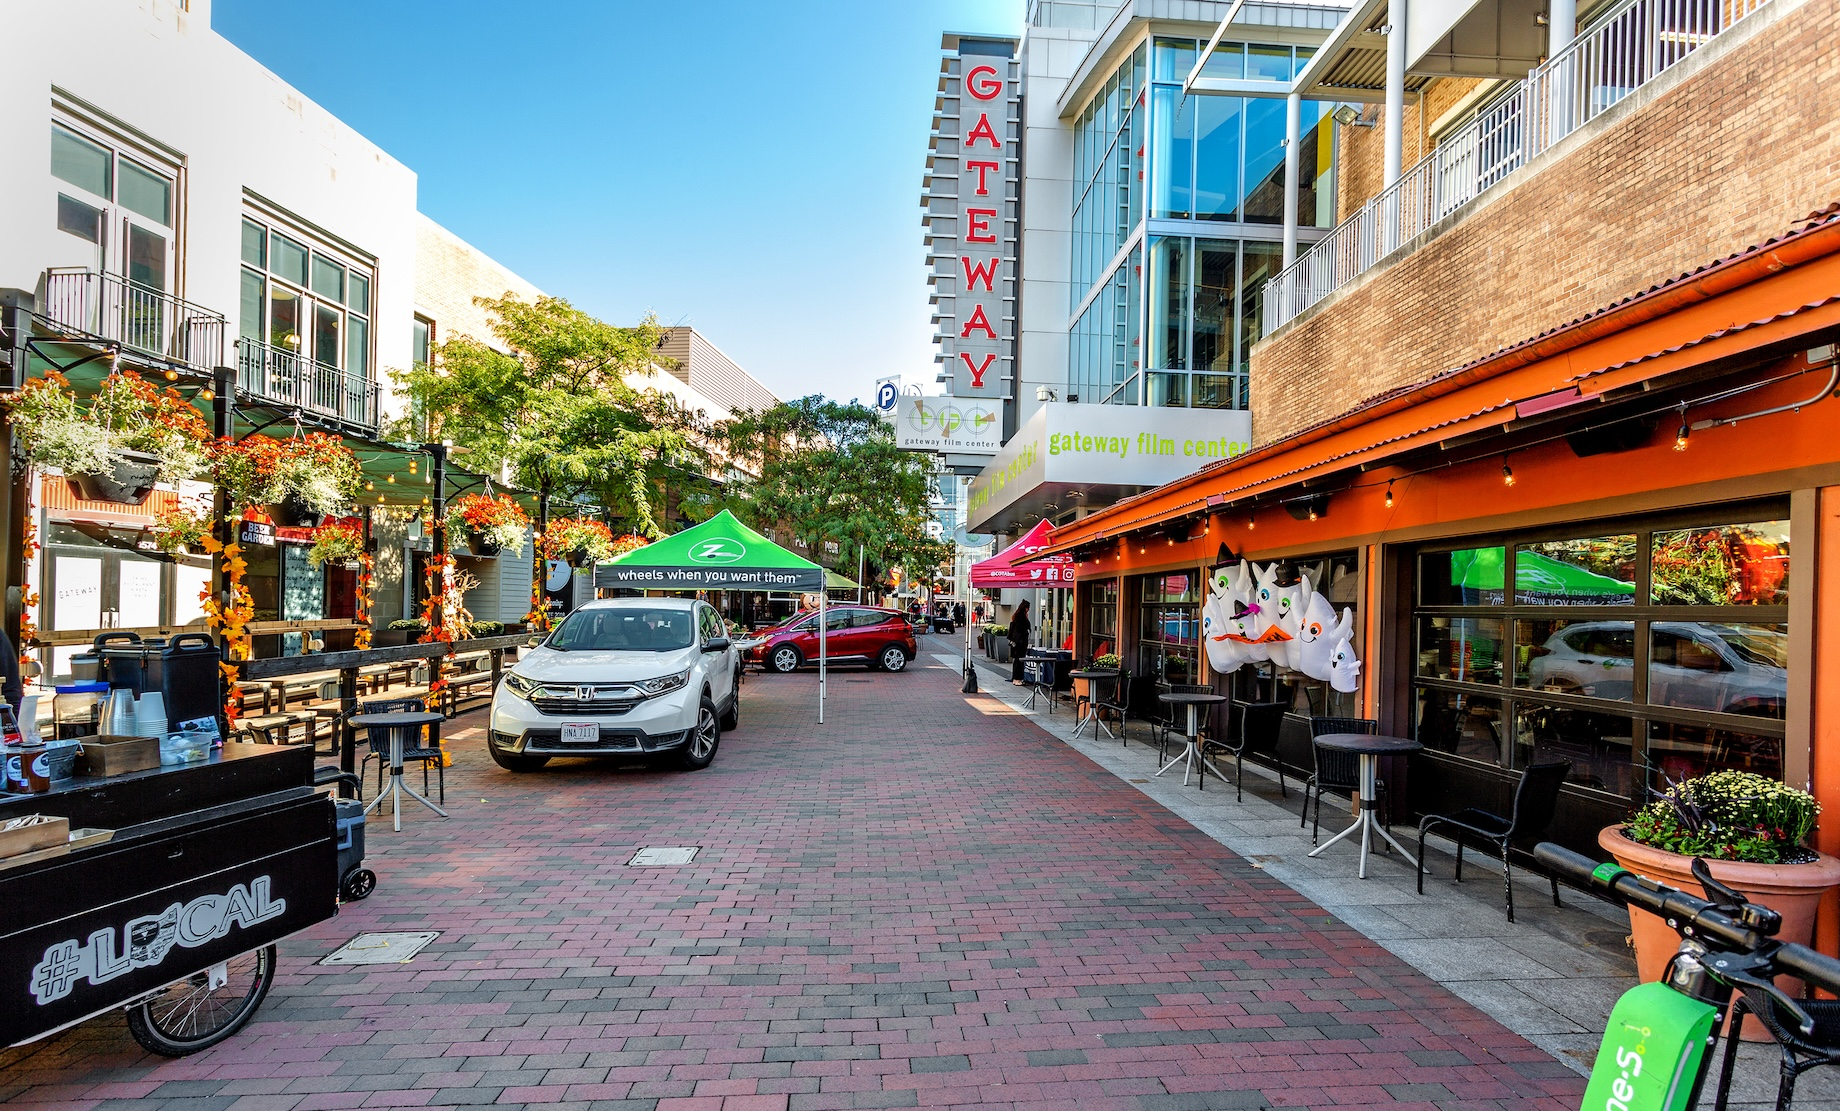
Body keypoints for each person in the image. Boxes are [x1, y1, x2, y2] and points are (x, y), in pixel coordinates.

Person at [1008, 600, 1032, 685]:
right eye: (1028, 608)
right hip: (1020, 642)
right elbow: (1023, 629)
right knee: (1020, 660)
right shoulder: (1021, 617)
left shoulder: (1017, 615)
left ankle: (1015, 678)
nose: (1028, 609)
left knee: (1017, 661)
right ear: (1025, 608)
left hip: (1016, 642)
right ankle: (1018, 678)